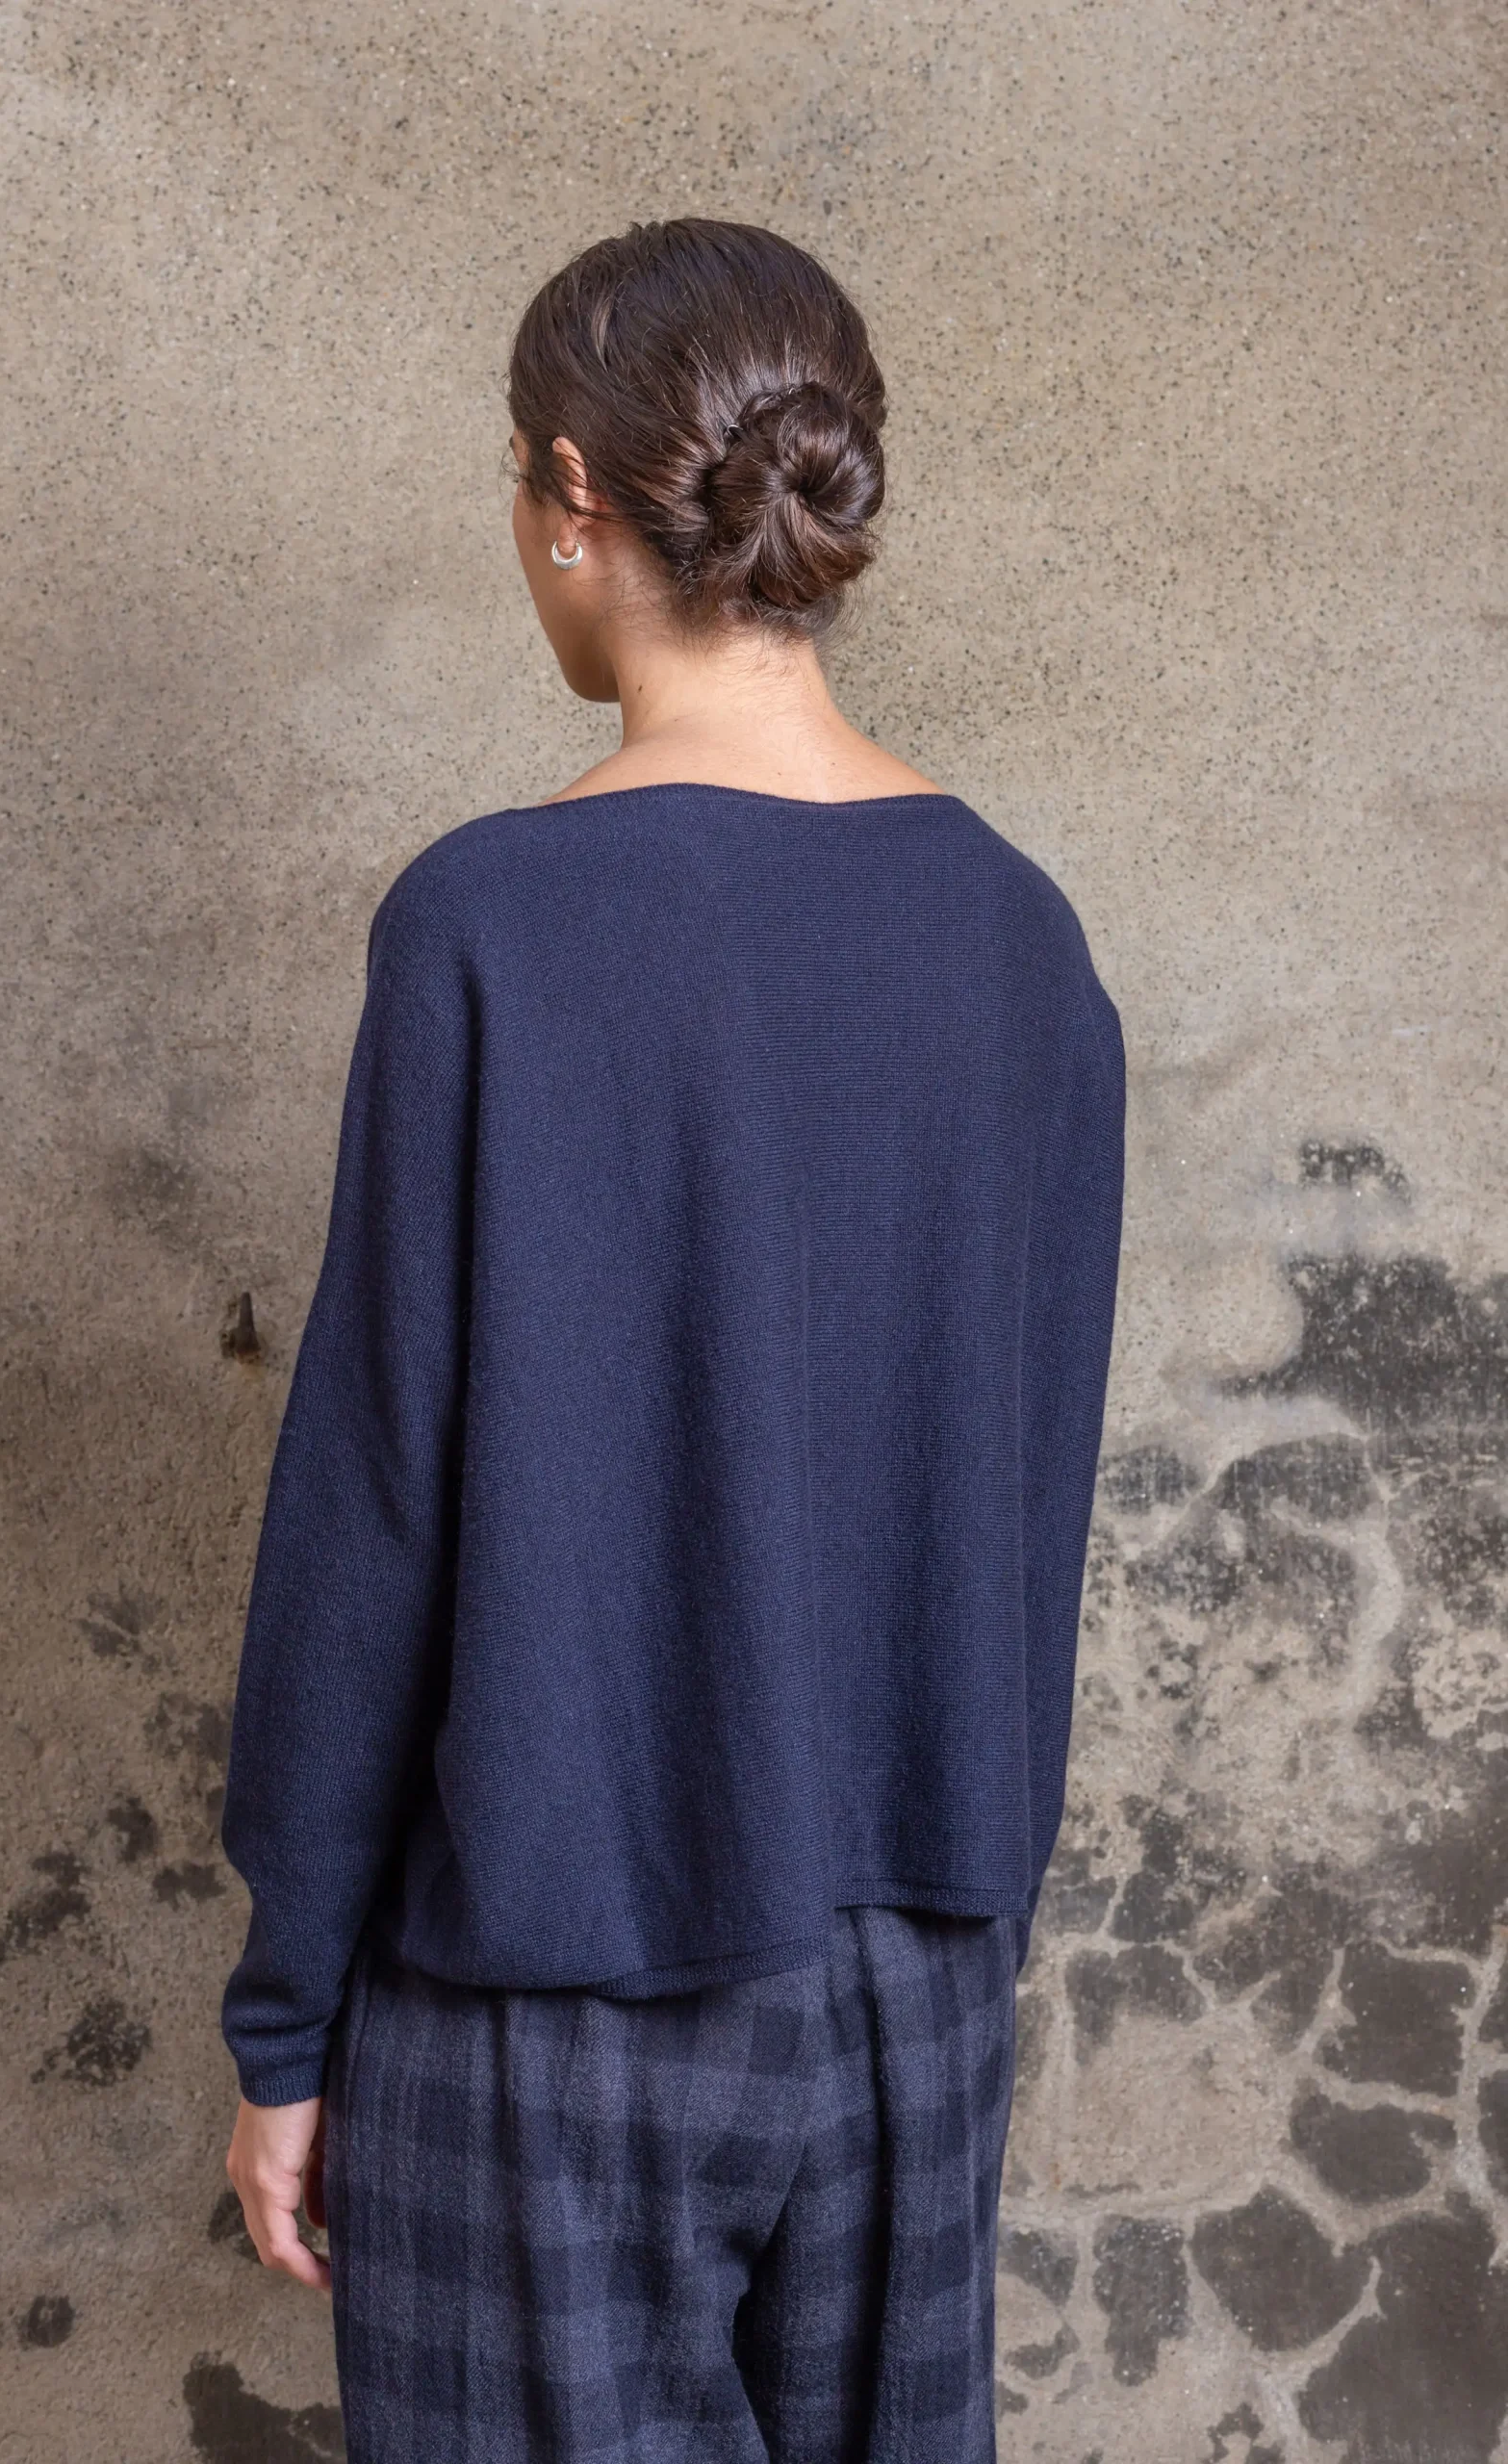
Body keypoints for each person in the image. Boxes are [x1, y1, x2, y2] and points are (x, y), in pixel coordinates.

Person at [219, 217, 1126, 2464]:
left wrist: (285, 2019)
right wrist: (963, 1930)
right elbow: (1023, 1506)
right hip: (915, 1984)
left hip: (553, 1987)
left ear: (567, 493)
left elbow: (377, 1506)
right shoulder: (1020, 939)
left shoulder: (488, 926)